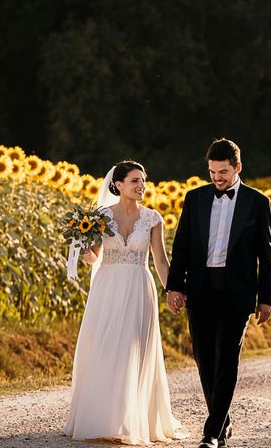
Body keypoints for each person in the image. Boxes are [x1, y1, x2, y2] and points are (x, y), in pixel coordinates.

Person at [64, 160, 185, 444]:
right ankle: (102, 419)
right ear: (118, 185)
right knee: (105, 348)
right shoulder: (100, 217)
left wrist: (174, 290)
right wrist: (84, 250)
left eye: (143, 181)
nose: (141, 186)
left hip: (139, 287)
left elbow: (160, 261)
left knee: (134, 349)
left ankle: (133, 420)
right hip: (107, 287)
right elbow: (94, 256)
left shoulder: (153, 218)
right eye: (135, 181)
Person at [166, 139, 271, 448]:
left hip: (237, 294)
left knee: (226, 358)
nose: (217, 178)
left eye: (224, 172)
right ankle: (223, 421)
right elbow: (182, 247)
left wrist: (265, 298)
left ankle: (211, 433)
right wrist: (174, 286)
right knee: (204, 359)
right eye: (213, 172)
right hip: (199, 290)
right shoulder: (195, 198)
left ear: (238, 168)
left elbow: (266, 256)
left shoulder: (257, 202)